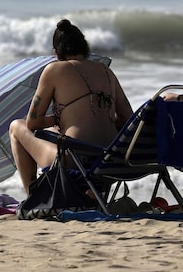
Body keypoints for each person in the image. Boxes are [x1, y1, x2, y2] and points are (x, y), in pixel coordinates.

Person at [9, 19, 133, 194]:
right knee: (62, 133)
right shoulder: (106, 71)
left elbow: (33, 124)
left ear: (56, 53)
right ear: (85, 48)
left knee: (16, 127)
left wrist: (58, 118)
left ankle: (33, 197)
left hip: (76, 160)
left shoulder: (53, 70)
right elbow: (128, 119)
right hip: (111, 160)